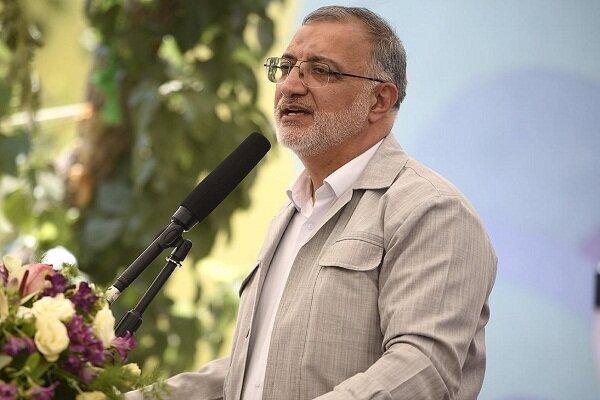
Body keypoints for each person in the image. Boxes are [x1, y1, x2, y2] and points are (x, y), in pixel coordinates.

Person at [127, 6, 497, 400]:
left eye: (321, 70)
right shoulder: (294, 210)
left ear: (379, 100)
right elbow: (254, 371)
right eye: (286, 67)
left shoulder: (431, 211)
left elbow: (423, 369)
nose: (290, 86)